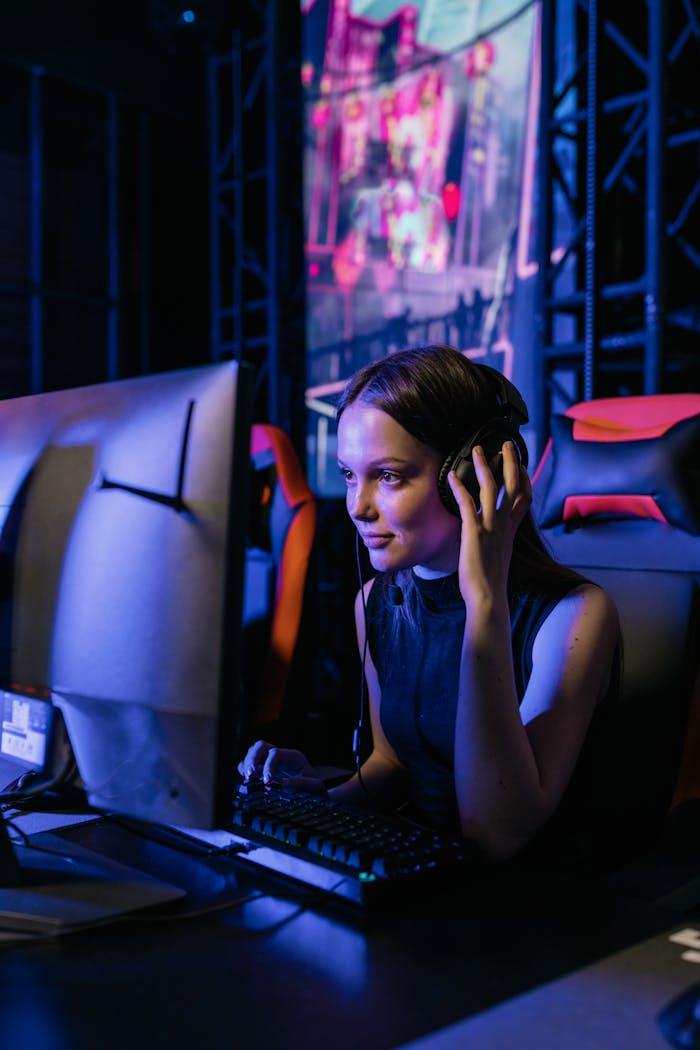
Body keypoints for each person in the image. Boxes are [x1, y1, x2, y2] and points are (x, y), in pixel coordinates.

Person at [239, 344, 620, 861]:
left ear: (465, 475)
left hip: (537, 914)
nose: (357, 507)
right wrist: (320, 798)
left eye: (388, 476)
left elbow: (498, 831)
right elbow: (394, 765)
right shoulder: (376, 601)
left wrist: (483, 601)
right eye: (350, 475)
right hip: (423, 890)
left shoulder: (573, 615)